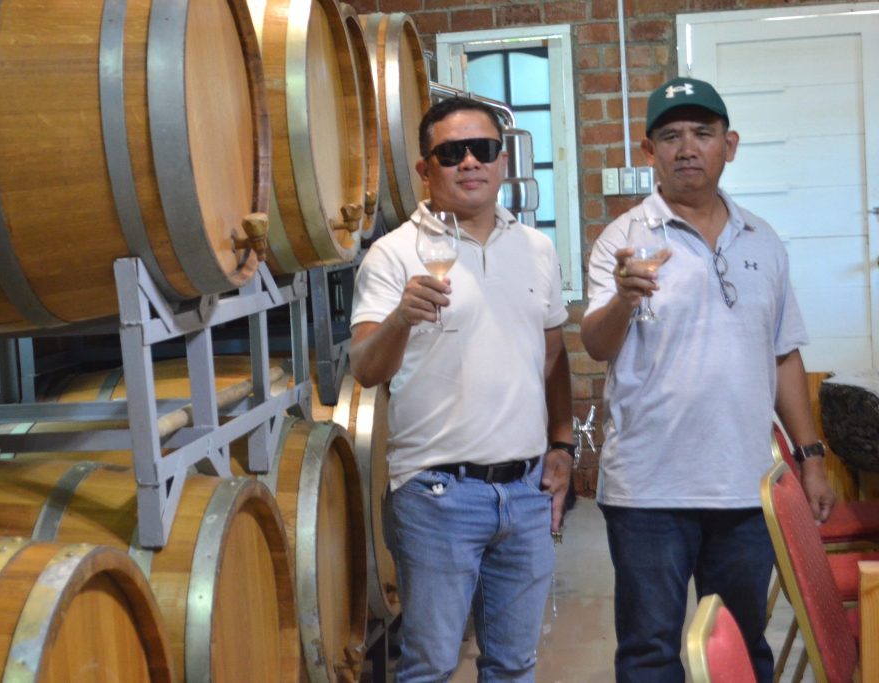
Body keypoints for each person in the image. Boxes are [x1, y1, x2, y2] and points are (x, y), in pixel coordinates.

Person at [581, 76, 836, 682]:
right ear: (649, 152)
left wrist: (813, 456)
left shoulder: (764, 242)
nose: (687, 147)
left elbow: (783, 356)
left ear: (730, 144)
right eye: (670, 136)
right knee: (649, 651)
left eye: (702, 133)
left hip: (744, 488)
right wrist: (622, 298)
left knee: (746, 649)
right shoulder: (623, 240)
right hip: (647, 490)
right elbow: (596, 345)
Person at [348, 96, 575, 682]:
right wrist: (401, 317)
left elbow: (552, 357)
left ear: (503, 162)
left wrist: (562, 444)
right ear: (426, 170)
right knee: (430, 664)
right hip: (437, 493)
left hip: (525, 491)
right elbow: (367, 370)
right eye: (451, 153)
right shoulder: (393, 254)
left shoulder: (536, 248)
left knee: (514, 663)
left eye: (484, 149)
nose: (470, 162)